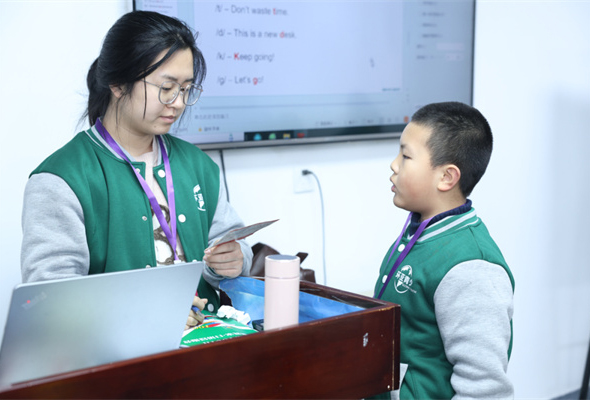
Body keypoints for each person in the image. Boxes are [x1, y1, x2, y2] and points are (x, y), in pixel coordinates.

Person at [20, 11, 253, 329]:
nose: (178, 102)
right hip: (117, 353)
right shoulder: (62, 179)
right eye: (166, 87)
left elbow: (233, 246)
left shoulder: (198, 166)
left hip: (205, 342)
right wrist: (146, 312)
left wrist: (233, 259)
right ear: (118, 83)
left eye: (186, 89)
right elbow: (50, 301)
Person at [373, 102, 515, 399]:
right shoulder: (422, 231)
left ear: (447, 177)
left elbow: (484, 390)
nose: (394, 165)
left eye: (406, 156)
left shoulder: (472, 268)